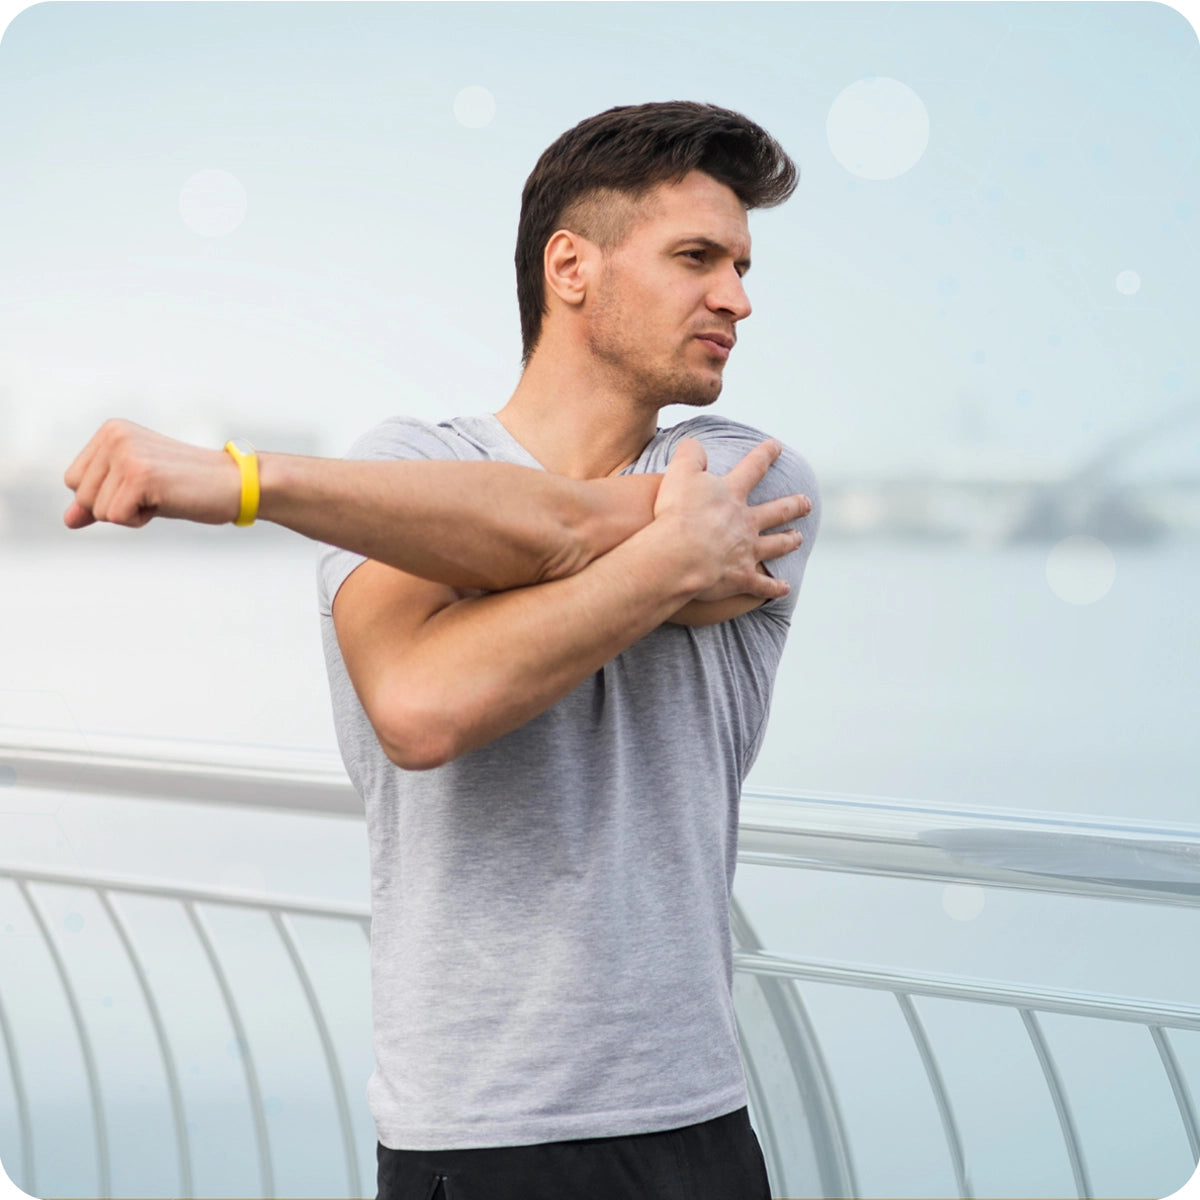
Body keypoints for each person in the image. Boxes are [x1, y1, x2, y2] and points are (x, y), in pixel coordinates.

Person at [63, 100, 818, 1199]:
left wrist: (245, 484)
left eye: (743, 265)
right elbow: (419, 708)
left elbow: (550, 532)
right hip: (466, 1131)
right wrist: (663, 557)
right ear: (572, 266)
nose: (738, 300)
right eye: (697, 257)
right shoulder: (403, 471)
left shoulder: (751, 472)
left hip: (688, 1121)